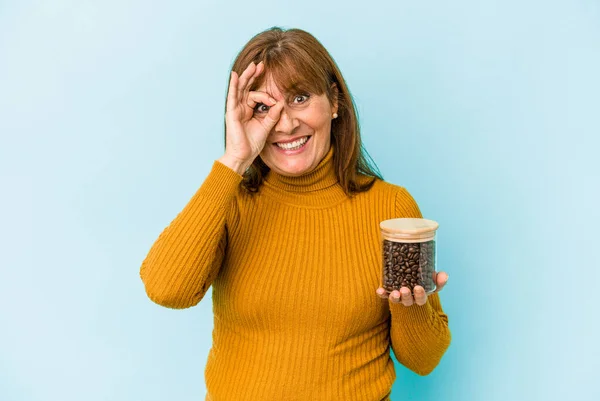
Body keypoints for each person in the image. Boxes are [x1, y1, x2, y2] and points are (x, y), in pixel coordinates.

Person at [139, 26, 451, 401]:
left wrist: (411, 307)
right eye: (263, 108)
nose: (285, 124)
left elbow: (423, 360)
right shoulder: (231, 201)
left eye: (300, 98)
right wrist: (235, 160)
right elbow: (166, 289)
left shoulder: (390, 208)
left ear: (334, 101)